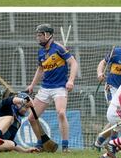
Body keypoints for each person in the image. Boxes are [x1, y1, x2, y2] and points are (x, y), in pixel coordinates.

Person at [25, 24, 78, 152]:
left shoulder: (59, 48)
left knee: (61, 113)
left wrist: (70, 80)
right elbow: (40, 69)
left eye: (40, 35)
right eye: (37, 35)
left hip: (59, 87)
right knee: (31, 118)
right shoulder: (41, 52)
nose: (38, 38)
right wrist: (32, 85)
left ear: (48, 35)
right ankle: (42, 143)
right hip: (45, 88)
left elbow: (73, 62)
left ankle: (65, 146)